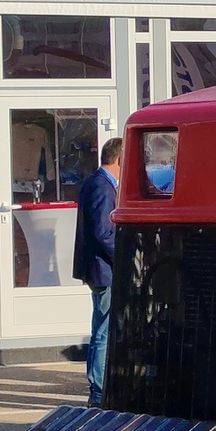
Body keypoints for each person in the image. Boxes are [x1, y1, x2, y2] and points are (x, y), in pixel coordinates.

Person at [73, 137, 123, 405]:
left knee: (100, 328)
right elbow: (104, 233)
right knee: (104, 331)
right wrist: (124, 258)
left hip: (99, 269)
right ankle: (99, 390)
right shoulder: (103, 187)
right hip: (105, 270)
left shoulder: (96, 182)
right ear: (119, 160)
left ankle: (98, 387)